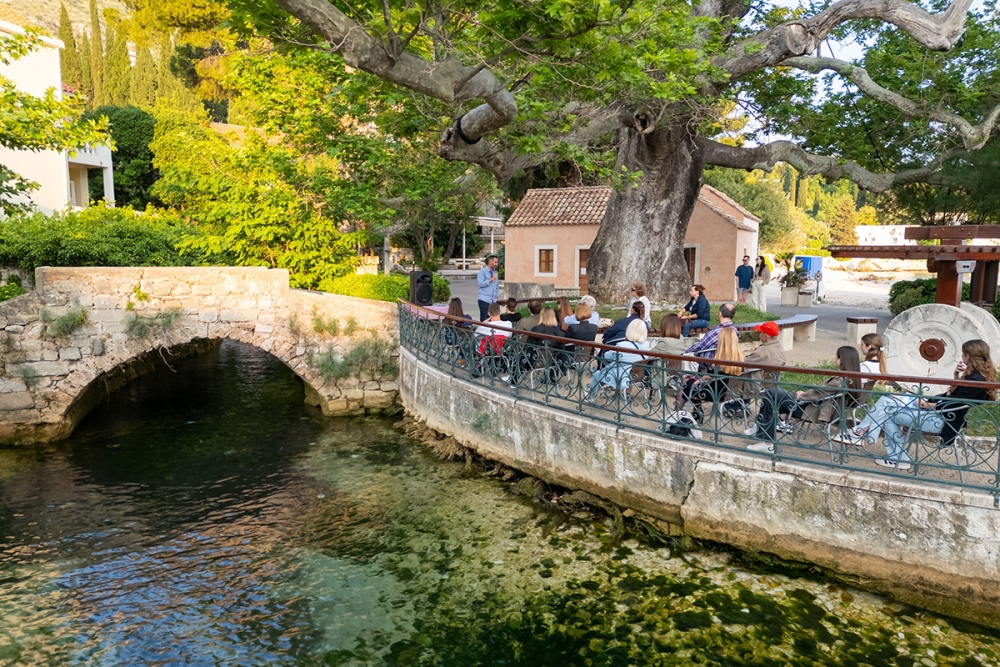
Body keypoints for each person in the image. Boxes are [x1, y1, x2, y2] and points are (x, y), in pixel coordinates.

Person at [847, 339, 994, 470]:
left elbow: (953, 405)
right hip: (941, 416)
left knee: (888, 410)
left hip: (939, 421)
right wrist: (956, 378)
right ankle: (862, 433)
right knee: (888, 400)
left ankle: (892, 454)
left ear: (969, 356)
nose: (962, 357)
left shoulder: (975, 380)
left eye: (964, 354)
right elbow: (955, 399)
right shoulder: (979, 377)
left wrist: (926, 405)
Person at [746, 346, 862, 453]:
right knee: (773, 399)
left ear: (842, 360)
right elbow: (821, 392)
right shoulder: (851, 379)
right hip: (815, 407)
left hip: (810, 409)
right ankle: (763, 431)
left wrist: (803, 395)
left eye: (836, 356)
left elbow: (818, 392)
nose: (834, 358)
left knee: (772, 392)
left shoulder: (839, 381)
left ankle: (765, 438)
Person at [587, 319, 649, 399]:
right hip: (635, 376)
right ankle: (593, 392)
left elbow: (607, 356)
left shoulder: (622, 345)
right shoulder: (646, 345)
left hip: (619, 376)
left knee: (597, 375)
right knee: (604, 374)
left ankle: (591, 397)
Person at [476, 254, 500, 321]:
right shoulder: (482, 272)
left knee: (493, 320)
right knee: (484, 320)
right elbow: (481, 284)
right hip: (484, 300)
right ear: (490, 262)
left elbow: (496, 285)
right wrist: (491, 279)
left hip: (493, 301)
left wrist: (497, 295)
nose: (496, 264)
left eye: (497, 262)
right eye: (495, 262)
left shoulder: (495, 272)